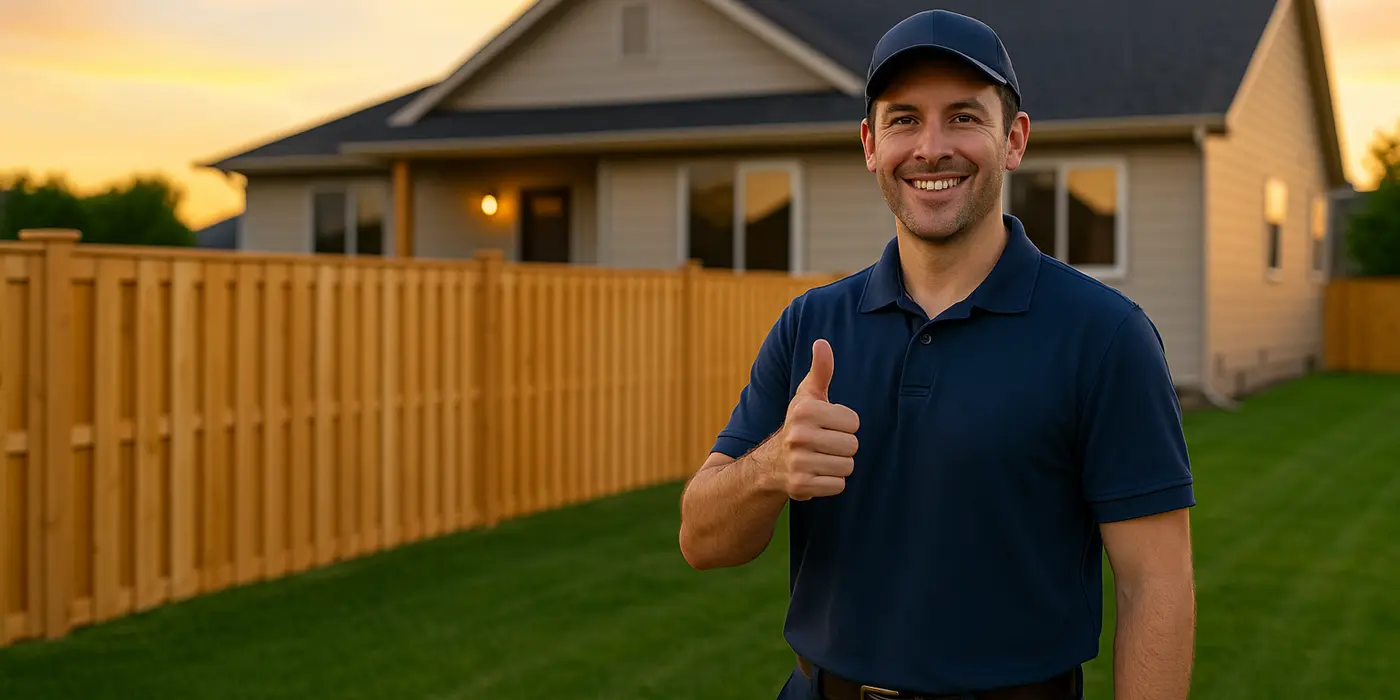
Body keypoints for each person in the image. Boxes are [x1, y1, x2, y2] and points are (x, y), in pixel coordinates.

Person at [677, 9, 1197, 700]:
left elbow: (1154, 581)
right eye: (903, 120)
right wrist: (772, 466)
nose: (931, 147)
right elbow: (702, 540)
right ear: (869, 143)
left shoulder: (1103, 337)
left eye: (962, 117)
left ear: (1013, 141)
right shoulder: (812, 324)